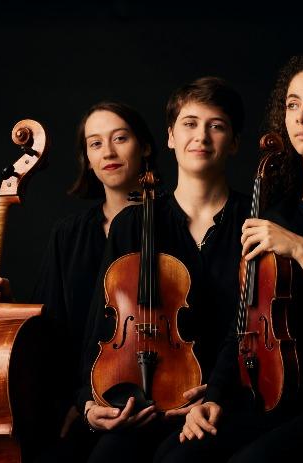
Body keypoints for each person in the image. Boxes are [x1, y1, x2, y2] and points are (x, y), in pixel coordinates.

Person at [157, 50, 303, 463]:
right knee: (174, 457)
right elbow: (246, 320)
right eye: (293, 104)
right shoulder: (276, 211)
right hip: (273, 386)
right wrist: (216, 396)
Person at [0, 101, 158, 461]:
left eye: (120, 138)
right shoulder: (68, 234)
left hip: (144, 401)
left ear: (145, 146)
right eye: (96, 143)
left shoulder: (168, 225)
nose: (109, 152)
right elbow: (51, 331)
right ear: (87, 158)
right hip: (78, 405)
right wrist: (6, 304)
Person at [77, 76, 251, 462]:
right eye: (189, 124)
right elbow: (100, 326)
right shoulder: (131, 224)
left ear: (234, 142)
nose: (201, 137)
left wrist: (218, 393)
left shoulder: (254, 221)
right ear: (170, 136)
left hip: (226, 399)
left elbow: (249, 324)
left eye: (216, 126)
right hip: (146, 400)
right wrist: (88, 404)